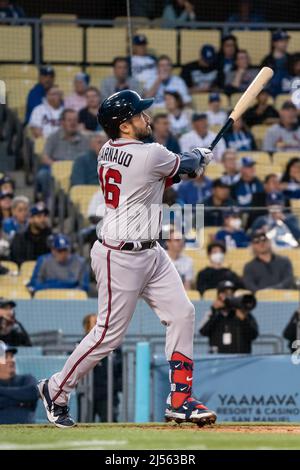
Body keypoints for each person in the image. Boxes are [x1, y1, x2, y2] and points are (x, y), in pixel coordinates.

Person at [38, 89, 217, 428]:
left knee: (182, 313)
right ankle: (55, 388)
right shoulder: (149, 153)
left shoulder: (109, 149)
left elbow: (168, 172)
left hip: (151, 250)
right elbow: (185, 166)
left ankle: (180, 399)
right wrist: (198, 155)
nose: (146, 118)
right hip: (119, 254)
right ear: (123, 125)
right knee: (107, 335)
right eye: (138, 114)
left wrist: (192, 160)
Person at [36, 109, 89, 202]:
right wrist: (56, 166)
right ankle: (50, 203)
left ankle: (74, 205)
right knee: (43, 174)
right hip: (56, 168)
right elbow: (44, 157)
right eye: (69, 120)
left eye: (75, 120)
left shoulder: (84, 139)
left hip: (76, 170)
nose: (73, 123)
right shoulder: (53, 137)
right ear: (62, 122)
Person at [81, 314, 122, 422]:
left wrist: (116, 388)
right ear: (87, 327)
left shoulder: (113, 345)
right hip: (87, 393)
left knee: (110, 421)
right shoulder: (80, 346)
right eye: (95, 323)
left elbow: (120, 369)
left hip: (108, 393)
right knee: (85, 423)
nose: (99, 326)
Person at [199, 280, 258, 354]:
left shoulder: (243, 314)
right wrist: (214, 312)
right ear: (218, 296)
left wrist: (243, 320)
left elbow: (253, 335)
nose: (228, 297)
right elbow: (203, 332)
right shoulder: (212, 313)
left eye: (231, 294)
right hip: (217, 359)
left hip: (241, 359)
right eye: (225, 294)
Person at [0, 343, 39, 424]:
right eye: (6, 357)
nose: (11, 360)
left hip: (29, 433)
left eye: (12, 356)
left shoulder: (26, 378)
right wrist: (22, 401)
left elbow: (33, 392)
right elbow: (28, 396)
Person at [261, 30, 293, 97]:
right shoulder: (267, 60)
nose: (285, 43)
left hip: (289, 90)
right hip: (271, 92)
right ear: (274, 43)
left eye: (286, 41)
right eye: (281, 41)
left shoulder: (291, 59)